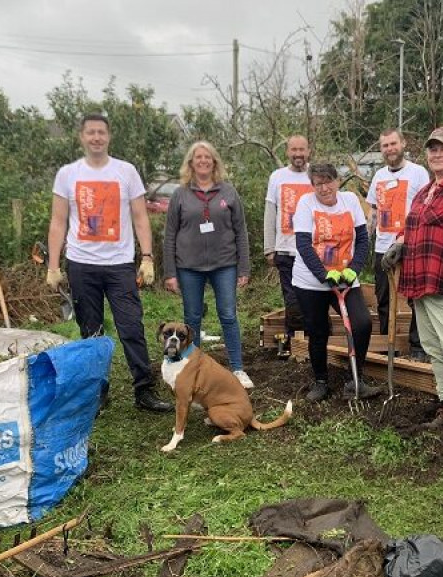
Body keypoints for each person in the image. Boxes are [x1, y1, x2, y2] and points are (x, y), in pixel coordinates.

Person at [46, 113, 173, 413]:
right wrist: (53, 265)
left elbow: (141, 217)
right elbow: (57, 222)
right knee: (90, 331)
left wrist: (147, 257)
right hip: (81, 264)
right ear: (82, 137)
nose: (96, 138)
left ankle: (144, 390)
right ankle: (97, 392)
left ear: (109, 136)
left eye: (101, 132)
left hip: (119, 265)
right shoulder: (68, 174)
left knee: (131, 327)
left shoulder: (125, 172)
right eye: (90, 133)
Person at [382, 127, 443, 453]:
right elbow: (416, 227)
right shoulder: (426, 190)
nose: (438, 154)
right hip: (420, 281)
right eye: (433, 149)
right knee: (434, 347)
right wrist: (400, 242)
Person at [163, 141, 253, 388]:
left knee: (228, 315)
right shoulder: (180, 194)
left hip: (224, 264)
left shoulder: (228, 192)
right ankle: (194, 369)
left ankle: (237, 369)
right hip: (188, 267)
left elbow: (240, 231)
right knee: (192, 319)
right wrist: (170, 272)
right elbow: (170, 234)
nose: (203, 161)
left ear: (214, 162)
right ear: (191, 163)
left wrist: (243, 267)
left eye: (208, 157)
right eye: (198, 157)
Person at [292, 163, 382, 402]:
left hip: (345, 278)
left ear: (336, 181)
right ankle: (321, 381)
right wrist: (323, 275)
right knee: (318, 330)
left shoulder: (350, 200)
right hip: (310, 281)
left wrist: (353, 270)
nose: (324, 188)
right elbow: (303, 244)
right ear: (312, 186)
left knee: (362, 323)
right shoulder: (306, 204)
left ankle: (356, 380)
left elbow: (362, 240)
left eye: (328, 181)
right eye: (318, 183)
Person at [365, 129, 430, 361]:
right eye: (385, 145)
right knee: (383, 297)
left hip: (411, 246)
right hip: (383, 247)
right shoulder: (379, 176)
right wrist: (366, 238)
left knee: (416, 298)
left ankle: (417, 346)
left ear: (402, 144)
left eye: (393, 143)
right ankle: (386, 341)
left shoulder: (418, 173)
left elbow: (427, 207)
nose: (390, 149)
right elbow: (373, 210)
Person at [264, 136, 314, 355]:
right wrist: (269, 247)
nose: (298, 154)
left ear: (308, 151)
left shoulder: (316, 175)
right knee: (291, 298)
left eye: (301, 150)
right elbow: (270, 213)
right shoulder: (277, 177)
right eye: (294, 150)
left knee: (312, 296)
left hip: (312, 250)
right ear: (287, 152)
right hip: (285, 248)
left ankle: (314, 339)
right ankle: (295, 342)